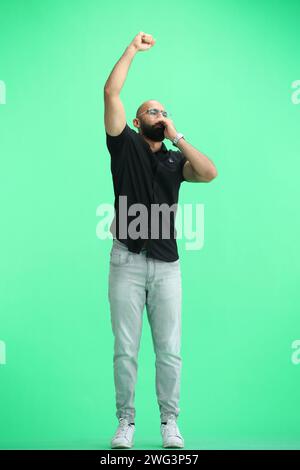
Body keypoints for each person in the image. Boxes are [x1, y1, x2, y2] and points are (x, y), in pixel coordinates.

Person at [103, 32, 218, 449]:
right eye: (150, 111)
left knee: (169, 350)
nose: (158, 113)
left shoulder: (175, 160)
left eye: (163, 111)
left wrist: (177, 134)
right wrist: (132, 49)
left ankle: (170, 422)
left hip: (167, 268)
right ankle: (126, 422)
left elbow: (209, 172)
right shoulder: (125, 146)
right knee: (126, 350)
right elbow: (111, 91)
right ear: (137, 121)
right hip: (126, 263)